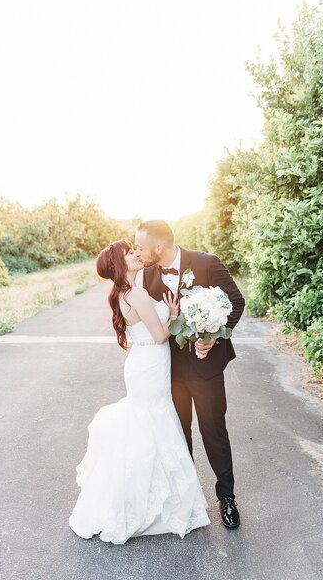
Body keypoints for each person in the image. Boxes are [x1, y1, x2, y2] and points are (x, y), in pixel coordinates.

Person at [68, 240, 210, 545]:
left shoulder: (122, 293)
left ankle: (146, 495)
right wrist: (172, 315)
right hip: (151, 363)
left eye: (134, 249)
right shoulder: (138, 294)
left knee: (145, 422)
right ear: (120, 264)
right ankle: (149, 503)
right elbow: (160, 336)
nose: (135, 253)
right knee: (152, 421)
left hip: (142, 363)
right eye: (129, 252)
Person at [135, 220, 245, 529]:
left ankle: (227, 498)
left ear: (159, 247)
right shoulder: (145, 275)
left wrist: (213, 336)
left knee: (214, 432)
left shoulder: (207, 263)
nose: (138, 253)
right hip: (169, 370)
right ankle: (187, 499)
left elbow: (236, 303)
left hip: (207, 368)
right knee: (178, 434)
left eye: (142, 247)